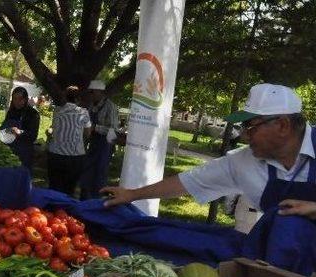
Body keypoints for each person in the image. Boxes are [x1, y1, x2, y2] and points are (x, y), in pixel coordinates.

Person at [102, 83, 316, 221]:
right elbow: (188, 181)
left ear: (282, 125)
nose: (244, 136)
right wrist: (132, 194)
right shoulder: (242, 162)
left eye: (250, 127)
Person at [47, 86, 92, 197]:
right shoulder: (83, 113)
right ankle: (66, 212)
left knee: (54, 187)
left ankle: (52, 211)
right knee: (69, 189)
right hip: (75, 156)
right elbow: (88, 133)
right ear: (78, 99)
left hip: (56, 154)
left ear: (66, 97)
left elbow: (54, 128)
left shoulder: (57, 111)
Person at [80, 80, 120, 200]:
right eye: (89, 92)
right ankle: (84, 201)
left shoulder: (110, 107)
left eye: (92, 92)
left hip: (105, 145)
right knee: (87, 172)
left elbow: (114, 130)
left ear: (99, 92)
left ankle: (96, 202)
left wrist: (95, 128)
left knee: (99, 175)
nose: (90, 95)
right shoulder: (92, 106)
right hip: (93, 143)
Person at [0, 86, 40, 171]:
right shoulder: (11, 112)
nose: (17, 102)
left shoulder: (33, 114)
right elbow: (3, 128)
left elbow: (33, 136)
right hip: (9, 151)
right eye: (15, 99)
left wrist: (19, 132)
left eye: (20, 99)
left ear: (25, 99)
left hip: (24, 152)